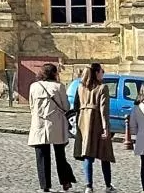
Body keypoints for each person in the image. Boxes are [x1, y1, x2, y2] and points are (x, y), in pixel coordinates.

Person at [32, 63, 78, 192]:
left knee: (41, 156)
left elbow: (31, 106)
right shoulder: (59, 87)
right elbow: (66, 107)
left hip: (40, 124)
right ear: (54, 73)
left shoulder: (34, 87)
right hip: (57, 124)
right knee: (60, 155)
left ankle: (44, 185)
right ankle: (65, 182)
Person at [74, 63, 117, 191]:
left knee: (87, 153)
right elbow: (104, 110)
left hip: (83, 122)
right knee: (105, 154)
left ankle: (89, 186)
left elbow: (76, 105)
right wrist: (106, 128)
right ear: (97, 72)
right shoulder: (103, 88)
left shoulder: (80, 87)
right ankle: (108, 185)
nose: (103, 74)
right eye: (102, 71)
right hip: (97, 121)